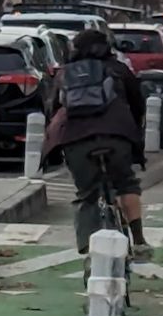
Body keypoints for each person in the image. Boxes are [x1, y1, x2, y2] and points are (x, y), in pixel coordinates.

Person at [42, 27, 151, 258]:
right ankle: (140, 240)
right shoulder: (119, 70)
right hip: (117, 136)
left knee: (86, 193)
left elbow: (52, 109)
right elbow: (138, 104)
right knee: (126, 184)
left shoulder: (64, 74)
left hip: (76, 139)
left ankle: (87, 249)